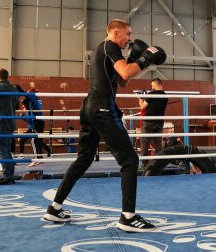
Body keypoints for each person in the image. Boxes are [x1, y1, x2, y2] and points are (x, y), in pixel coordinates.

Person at [43, 19, 166, 233]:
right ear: (115, 32)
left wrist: (138, 60)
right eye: (127, 34)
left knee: (84, 159)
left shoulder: (108, 50)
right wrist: (145, 59)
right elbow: (127, 73)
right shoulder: (109, 45)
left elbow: (123, 80)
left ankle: (54, 208)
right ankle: (128, 217)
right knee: (129, 159)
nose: (129, 38)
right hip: (101, 106)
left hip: (90, 106)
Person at [0, 69, 19, 185]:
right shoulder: (14, 89)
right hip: (11, 123)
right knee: (7, 151)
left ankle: (7, 176)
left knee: (2, 151)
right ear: (7, 76)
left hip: (1, 123)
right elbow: (17, 105)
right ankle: (10, 175)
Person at [17, 86, 51, 162]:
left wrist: (20, 90)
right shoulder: (37, 101)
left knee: (34, 140)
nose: (24, 107)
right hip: (39, 121)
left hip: (37, 122)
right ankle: (40, 157)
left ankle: (37, 159)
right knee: (38, 140)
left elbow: (27, 96)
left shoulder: (33, 98)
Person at [139, 78, 168, 167]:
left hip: (149, 122)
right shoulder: (165, 96)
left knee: (144, 142)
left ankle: (144, 164)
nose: (152, 87)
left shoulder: (151, 94)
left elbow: (142, 107)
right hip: (159, 122)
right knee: (158, 143)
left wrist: (141, 97)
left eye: (152, 85)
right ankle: (159, 163)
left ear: (155, 85)